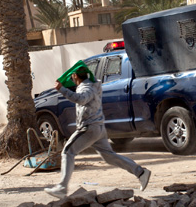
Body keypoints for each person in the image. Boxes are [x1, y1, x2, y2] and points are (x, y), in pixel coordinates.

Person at [45, 64, 150, 199]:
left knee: (67, 151)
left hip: (89, 128)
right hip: (98, 128)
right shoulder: (92, 85)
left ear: (75, 76)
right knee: (109, 156)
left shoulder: (86, 87)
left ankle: (62, 188)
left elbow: (82, 99)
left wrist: (62, 90)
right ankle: (140, 173)